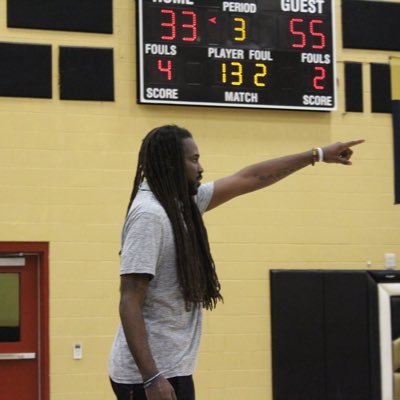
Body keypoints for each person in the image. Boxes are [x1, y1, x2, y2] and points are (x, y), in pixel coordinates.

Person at [108, 124, 364, 400]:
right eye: (193, 160)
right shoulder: (150, 215)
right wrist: (152, 377)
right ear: (171, 164)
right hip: (147, 376)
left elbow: (251, 177)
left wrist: (317, 154)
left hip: (170, 367)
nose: (200, 167)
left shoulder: (180, 203)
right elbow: (129, 300)